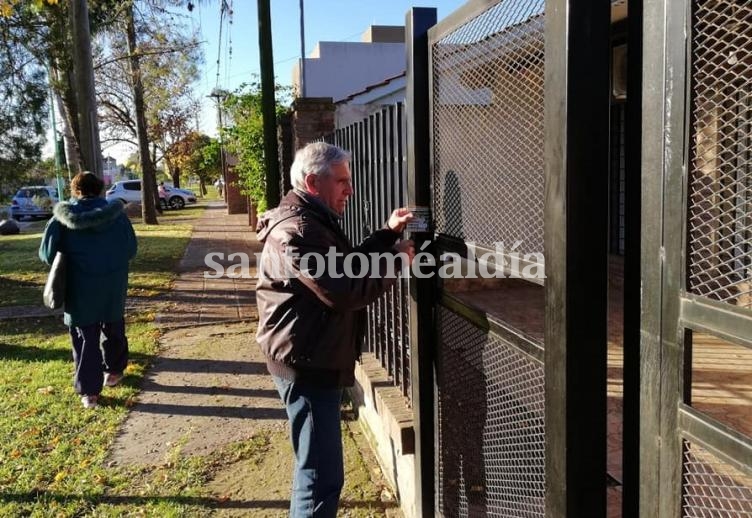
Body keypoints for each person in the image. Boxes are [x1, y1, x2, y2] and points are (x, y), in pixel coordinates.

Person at [255, 142, 415, 517]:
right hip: (307, 364)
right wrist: (395, 259)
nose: (350, 190)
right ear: (313, 182)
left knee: (316, 468)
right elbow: (342, 289)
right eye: (342, 181)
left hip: (309, 354)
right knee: (320, 478)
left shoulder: (311, 220)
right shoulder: (298, 229)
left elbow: (344, 265)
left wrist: (386, 235)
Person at [39, 172, 138, 409]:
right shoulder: (118, 217)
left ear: (76, 190)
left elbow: (47, 254)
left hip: (79, 285)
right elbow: (131, 249)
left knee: (85, 337)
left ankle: (90, 392)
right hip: (113, 283)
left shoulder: (61, 219)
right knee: (114, 325)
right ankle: (114, 371)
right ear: (101, 189)